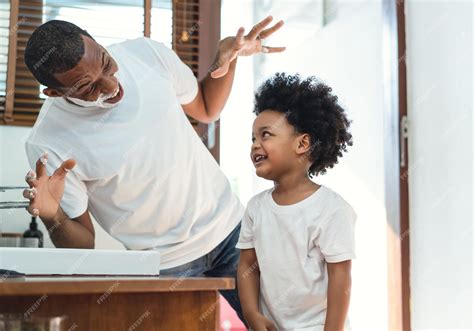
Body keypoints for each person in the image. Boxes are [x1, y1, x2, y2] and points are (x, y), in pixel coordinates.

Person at [21, 18, 285, 323]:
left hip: (232, 231)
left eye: (106, 64)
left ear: (98, 43)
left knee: (278, 323)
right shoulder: (48, 142)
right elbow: (84, 243)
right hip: (164, 265)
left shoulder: (146, 54)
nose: (112, 86)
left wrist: (227, 60)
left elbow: (207, 108)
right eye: (87, 87)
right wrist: (54, 215)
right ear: (54, 93)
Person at [236, 73, 356, 330]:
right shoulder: (256, 208)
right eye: (253, 139)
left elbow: (341, 277)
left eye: (265, 135)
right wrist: (251, 314)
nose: (255, 145)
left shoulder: (332, 209)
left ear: (302, 143)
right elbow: (247, 265)